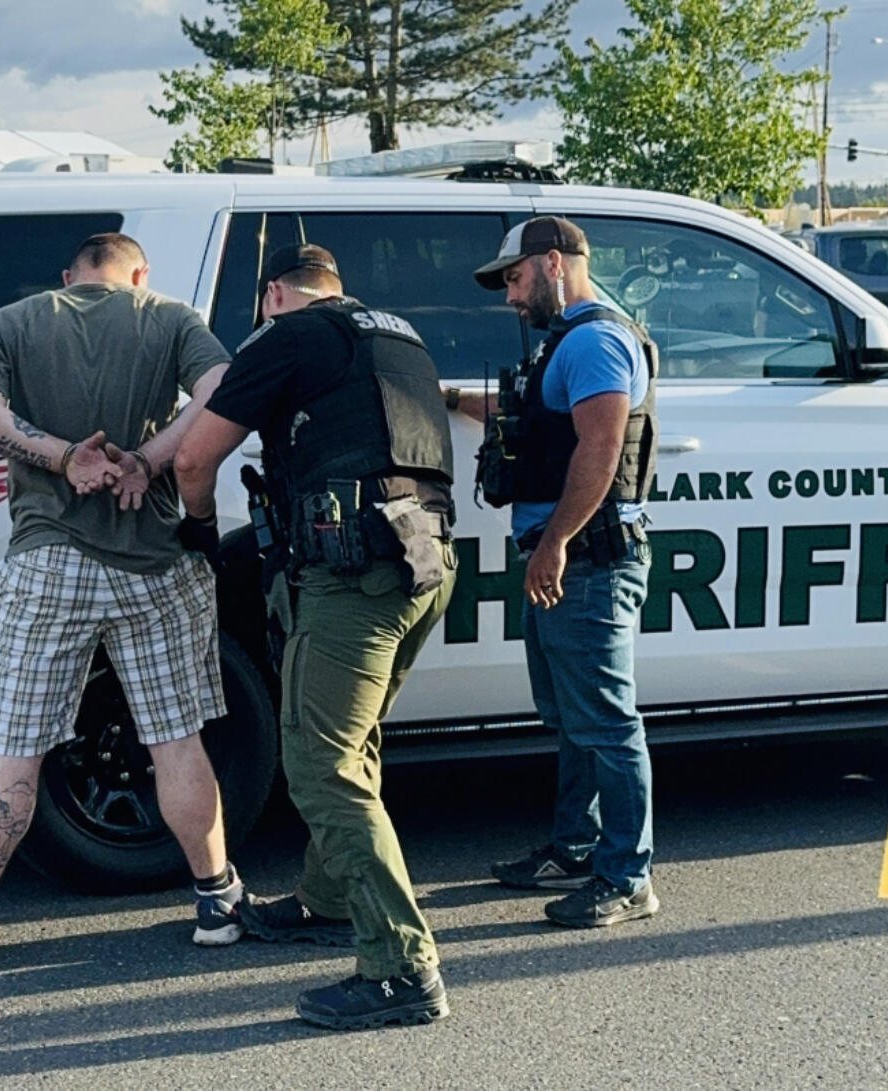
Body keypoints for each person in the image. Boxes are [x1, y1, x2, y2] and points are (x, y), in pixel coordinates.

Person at [0, 232, 244, 962]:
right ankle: (218, 900)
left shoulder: (14, 321)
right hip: (153, 561)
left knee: (19, 745)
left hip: (48, 562)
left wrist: (63, 457)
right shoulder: (170, 317)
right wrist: (150, 460)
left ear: (69, 276)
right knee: (175, 739)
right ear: (138, 272)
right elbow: (224, 388)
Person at [174, 244, 457, 1030]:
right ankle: (329, 898)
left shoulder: (288, 335)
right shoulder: (396, 335)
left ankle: (402, 966)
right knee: (352, 740)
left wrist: (197, 529)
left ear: (274, 295)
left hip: (354, 574)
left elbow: (197, 453)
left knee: (319, 759)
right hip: (424, 562)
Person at [465, 215, 660, 928]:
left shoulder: (598, 340)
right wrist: (453, 400)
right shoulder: (568, 342)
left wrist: (556, 543)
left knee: (607, 721)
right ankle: (577, 845)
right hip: (565, 555)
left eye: (514, 279)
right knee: (573, 716)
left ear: (552, 264)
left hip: (586, 558)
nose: (509, 297)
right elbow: (538, 418)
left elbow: (601, 448)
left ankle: (628, 876)